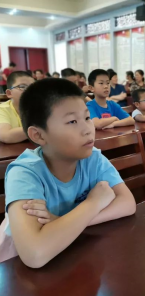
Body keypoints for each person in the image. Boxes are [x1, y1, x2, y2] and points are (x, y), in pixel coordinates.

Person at [0, 78, 136, 265]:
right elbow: (35, 254)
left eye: (87, 118)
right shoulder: (24, 173)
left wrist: (62, 220)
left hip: (72, 252)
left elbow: (128, 203)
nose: (88, 129)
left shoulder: (93, 158)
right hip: (15, 266)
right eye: (72, 121)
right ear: (38, 135)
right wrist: (94, 202)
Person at [0, 71, 35, 143]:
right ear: (9, 93)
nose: (29, 91)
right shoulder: (3, 109)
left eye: (33, 87)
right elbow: (5, 136)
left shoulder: (41, 106)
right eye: (22, 87)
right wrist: (41, 128)